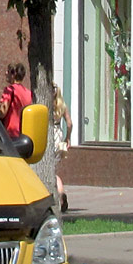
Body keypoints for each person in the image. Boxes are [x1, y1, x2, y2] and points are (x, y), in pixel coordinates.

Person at [0, 62, 32, 139]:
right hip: (22, 135)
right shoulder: (29, 93)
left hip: (9, 134)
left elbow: (3, 111)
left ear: (14, 74)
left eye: (8, 71)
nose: (6, 73)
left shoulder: (10, 90)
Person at [52, 84, 72, 212]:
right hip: (58, 135)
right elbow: (69, 123)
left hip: (49, 134)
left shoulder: (46, 104)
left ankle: (58, 193)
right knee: (53, 168)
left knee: (50, 171)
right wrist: (67, 138)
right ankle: (61, 194)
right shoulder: (61, 105)